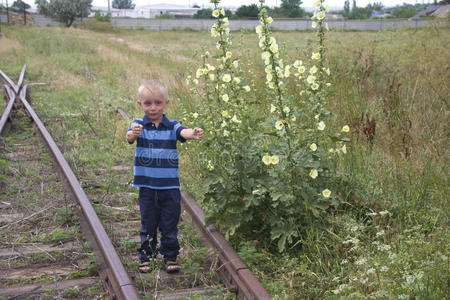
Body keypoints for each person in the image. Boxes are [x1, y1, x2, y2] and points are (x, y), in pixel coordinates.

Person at [126, 80, 204, 273]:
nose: (153, 108)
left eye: (158, 103)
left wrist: (192, 134)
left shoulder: (172, 125)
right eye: (148, 103)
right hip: (147, 186)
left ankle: (170, 256)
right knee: (148, 222)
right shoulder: (138, 125)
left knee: (170, 222)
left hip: (169, 187)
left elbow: (182, 132)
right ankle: (147, 257)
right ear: (140, 104)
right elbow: (129, 136)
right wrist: (133, 134)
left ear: (166, 103)